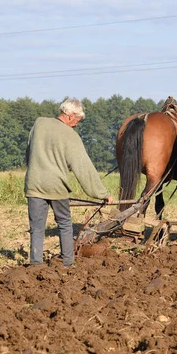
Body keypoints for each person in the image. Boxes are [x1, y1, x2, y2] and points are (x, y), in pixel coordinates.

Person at [24, 98, 114, 267]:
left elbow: (29, 152)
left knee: (36, 228)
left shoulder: (39, 123)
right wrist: (102, 194)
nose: (76, 125)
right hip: (56, 187)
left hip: (34, 184)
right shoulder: (70, 136)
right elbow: (83, 167)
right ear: (71, 115)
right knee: (65, 224)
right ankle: (67, 263)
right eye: (77, 120)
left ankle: (35, 265)